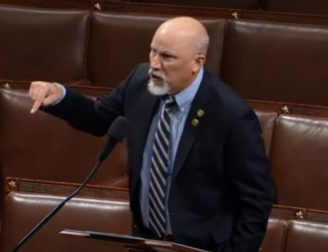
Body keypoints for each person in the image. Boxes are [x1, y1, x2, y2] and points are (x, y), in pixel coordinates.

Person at [29, 16, 273, 252]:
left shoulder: (231, 115)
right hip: (144, 241)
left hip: (200, 246)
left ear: (197, 62)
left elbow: (256, 201)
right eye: (153, 52)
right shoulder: (139, 82)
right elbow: (98, 118)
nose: (155, 64)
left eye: (167, 56)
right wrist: (59, 95)